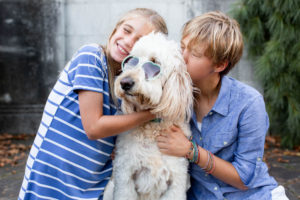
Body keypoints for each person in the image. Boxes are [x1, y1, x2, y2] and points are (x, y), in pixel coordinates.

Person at [18, 8, 168, 200]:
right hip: (53, 177)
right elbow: (94, 127)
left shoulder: (128, 86)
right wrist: (153, 114)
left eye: (139, 41)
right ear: (115, 30)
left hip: (91, 182)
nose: (128, 41)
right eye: (126, 30)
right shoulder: (91, 57)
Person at [156, 11, 289, 200]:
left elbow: (244, 179)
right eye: (182, 47)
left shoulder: (249, 103)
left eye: (194, 53)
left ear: (219, 65)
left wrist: (191, 151)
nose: (181, 57)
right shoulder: (171, 95)